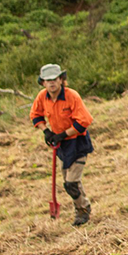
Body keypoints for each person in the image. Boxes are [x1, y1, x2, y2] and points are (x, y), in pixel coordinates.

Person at [30, 63, 95, 226]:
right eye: (47, 80)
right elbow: (35, 115)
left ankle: (82, 211)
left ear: (61, 80)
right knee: (69, 181)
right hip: (61, 146)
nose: (51, 83)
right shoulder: (42, 97)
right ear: (43, 82)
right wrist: (46, 131)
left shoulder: (71, 96)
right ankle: (83, 207)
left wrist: (64, 134)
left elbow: (84, 121)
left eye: (54, 79)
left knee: (71, 183)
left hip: (77, 142)